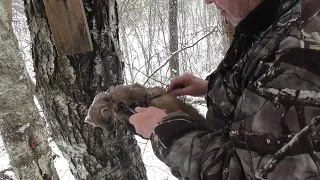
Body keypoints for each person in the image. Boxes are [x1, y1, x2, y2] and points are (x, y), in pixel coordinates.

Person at [129, 0, 320, 179]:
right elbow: (264, 80)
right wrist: (214, 88)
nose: (207, 1)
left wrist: (168, 133)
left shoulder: (300, 50)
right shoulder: (278, 16)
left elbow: (248, 172)